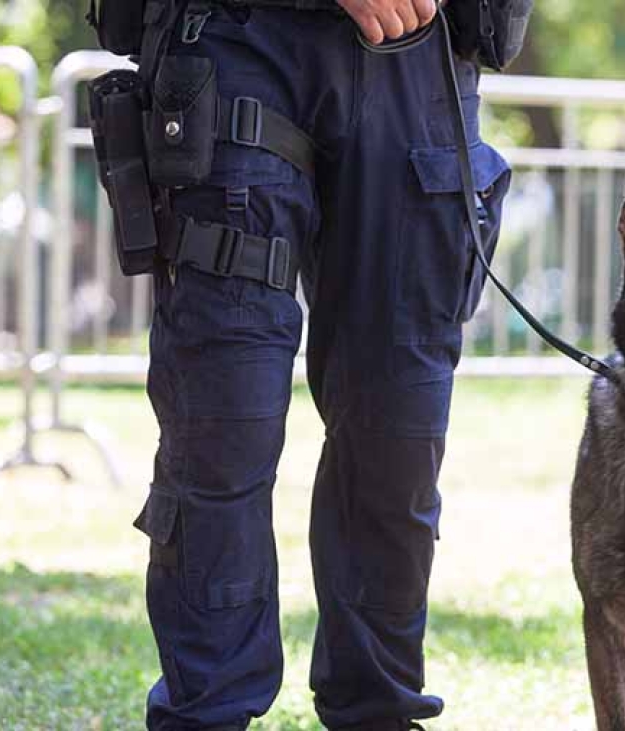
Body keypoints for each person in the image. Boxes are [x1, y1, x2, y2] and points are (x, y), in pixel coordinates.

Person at [125, 1, 513, 728]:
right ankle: (207, 713)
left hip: (419, 50)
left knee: (396, 436)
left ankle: (378, 712)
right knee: (223, 428)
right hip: (240, 37)